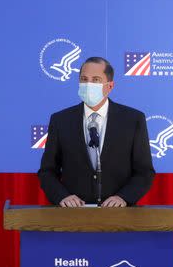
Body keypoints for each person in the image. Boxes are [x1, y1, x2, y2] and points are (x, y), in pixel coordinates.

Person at [38, 57, 155, 207]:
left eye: (96, 80)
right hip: (73, 215)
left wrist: (123, 198)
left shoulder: (133, 120)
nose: (88, 84)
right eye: (84, 79)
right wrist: (62, 197)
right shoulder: (60, 120)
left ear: (110, 86)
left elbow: (144, 172)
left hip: (119, 215)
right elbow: (47, 171)